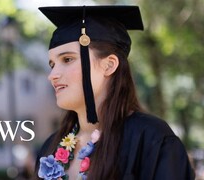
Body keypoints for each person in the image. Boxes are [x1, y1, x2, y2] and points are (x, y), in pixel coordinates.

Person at [34, 5, 195, 180]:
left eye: (67, 59)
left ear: (109, 65)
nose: (52, 75)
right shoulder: (50, 148)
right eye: (52, 64)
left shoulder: (151, 139)